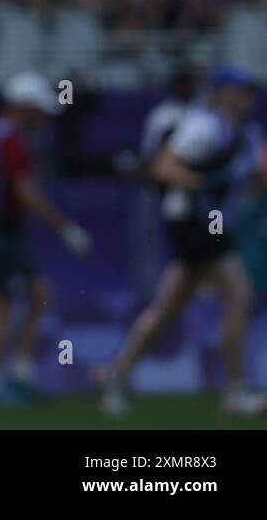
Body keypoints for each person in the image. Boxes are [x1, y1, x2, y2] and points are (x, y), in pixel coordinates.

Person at [98, 66, 267, 416]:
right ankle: (236, 390)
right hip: (193, 222)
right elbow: (163, 167)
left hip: (213, 224)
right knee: (239, 296)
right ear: (219, 93)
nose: (244, 98)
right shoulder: (203, 127)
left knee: (168, 307)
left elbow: (251, 180)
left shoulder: (245, 133)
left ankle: (118, 373)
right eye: (238, 91)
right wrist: (206, 186)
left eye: (248, 91)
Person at [0, 72, 93, 403]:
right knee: (5, 305)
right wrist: (65, 228)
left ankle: (19, 373)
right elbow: (24, 192)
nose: (43, 119)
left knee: (37, 295)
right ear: (23, 107)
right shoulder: (9, 139)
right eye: (39, 111)